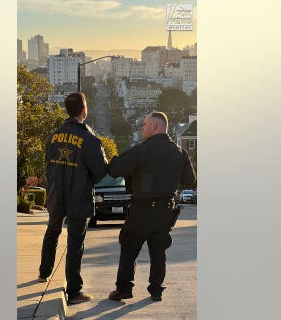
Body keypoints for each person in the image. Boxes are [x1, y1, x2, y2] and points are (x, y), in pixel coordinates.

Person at [107, 111, 196, 302]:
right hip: (165, 210)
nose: (142, 128)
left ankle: (124, 289)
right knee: (159, 251)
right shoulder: (179, 152)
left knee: (129, 247)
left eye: (145, 125)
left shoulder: (141, 150)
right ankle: (156, 290)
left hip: (142, 209)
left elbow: (115, 170)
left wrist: (114, 159)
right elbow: (191, 180)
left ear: (154, 126)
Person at [38, 92, 109, 305]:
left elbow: (49, 162)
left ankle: (44, 271)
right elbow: (100, 171)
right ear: (84, 110)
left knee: (52, 231)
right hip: (78, 197)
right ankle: (74, 291)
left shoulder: (53, 135)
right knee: (75, 242)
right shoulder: (90, 139)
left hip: (56, 195)